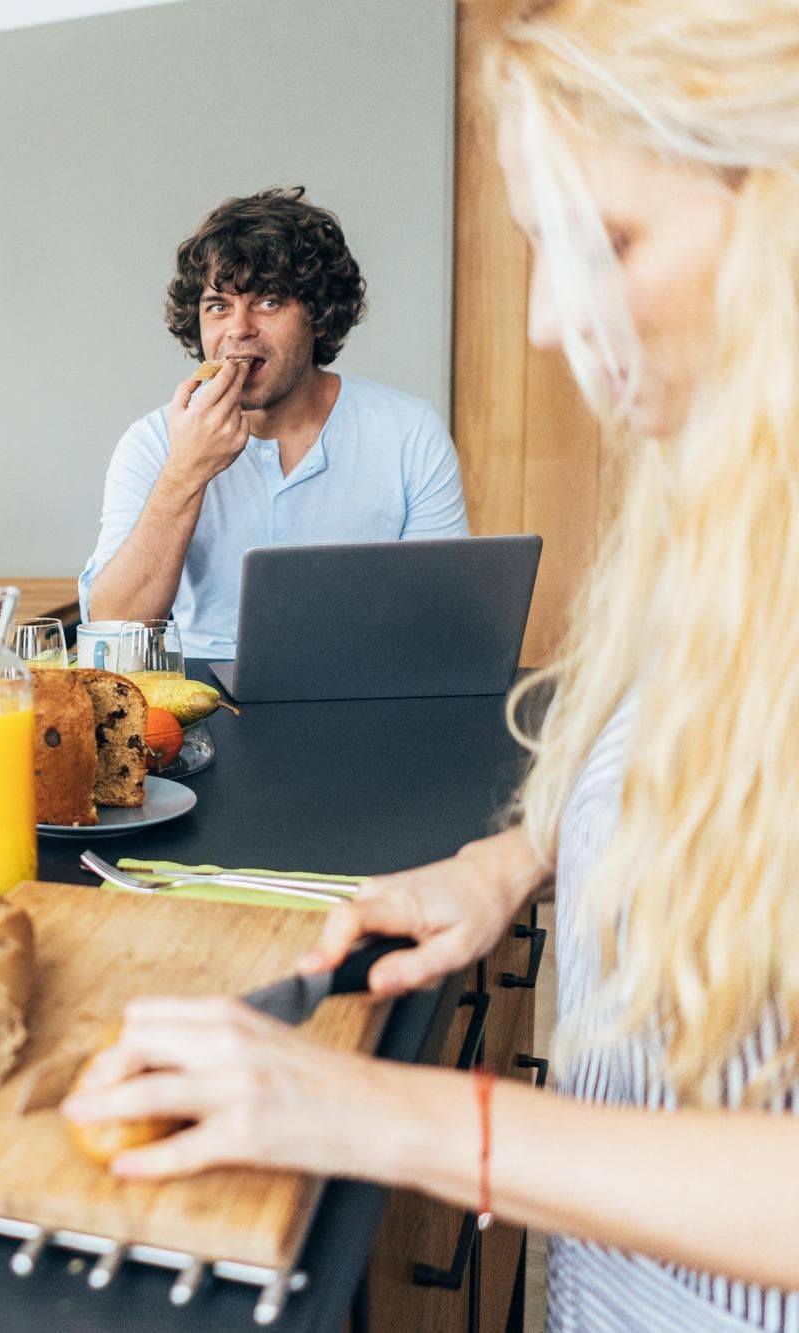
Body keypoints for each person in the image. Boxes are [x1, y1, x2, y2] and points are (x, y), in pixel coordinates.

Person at [64, 1, 799, 1322]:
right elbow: (667, 768)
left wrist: (378, 1111)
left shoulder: (405, 437)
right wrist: (507, 860)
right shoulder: (728, 531)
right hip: (613, 1282)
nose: (540, 324)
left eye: (606, 240)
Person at [80, 187, 470, 659]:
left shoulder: (410, 433)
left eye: (268, 302)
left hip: (360, 690)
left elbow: (445, 622)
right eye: (218, 306)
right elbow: (111, 630)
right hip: (199, 701)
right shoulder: (152, 442)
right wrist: (184, 472)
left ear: (320, 316)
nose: (238, 328)